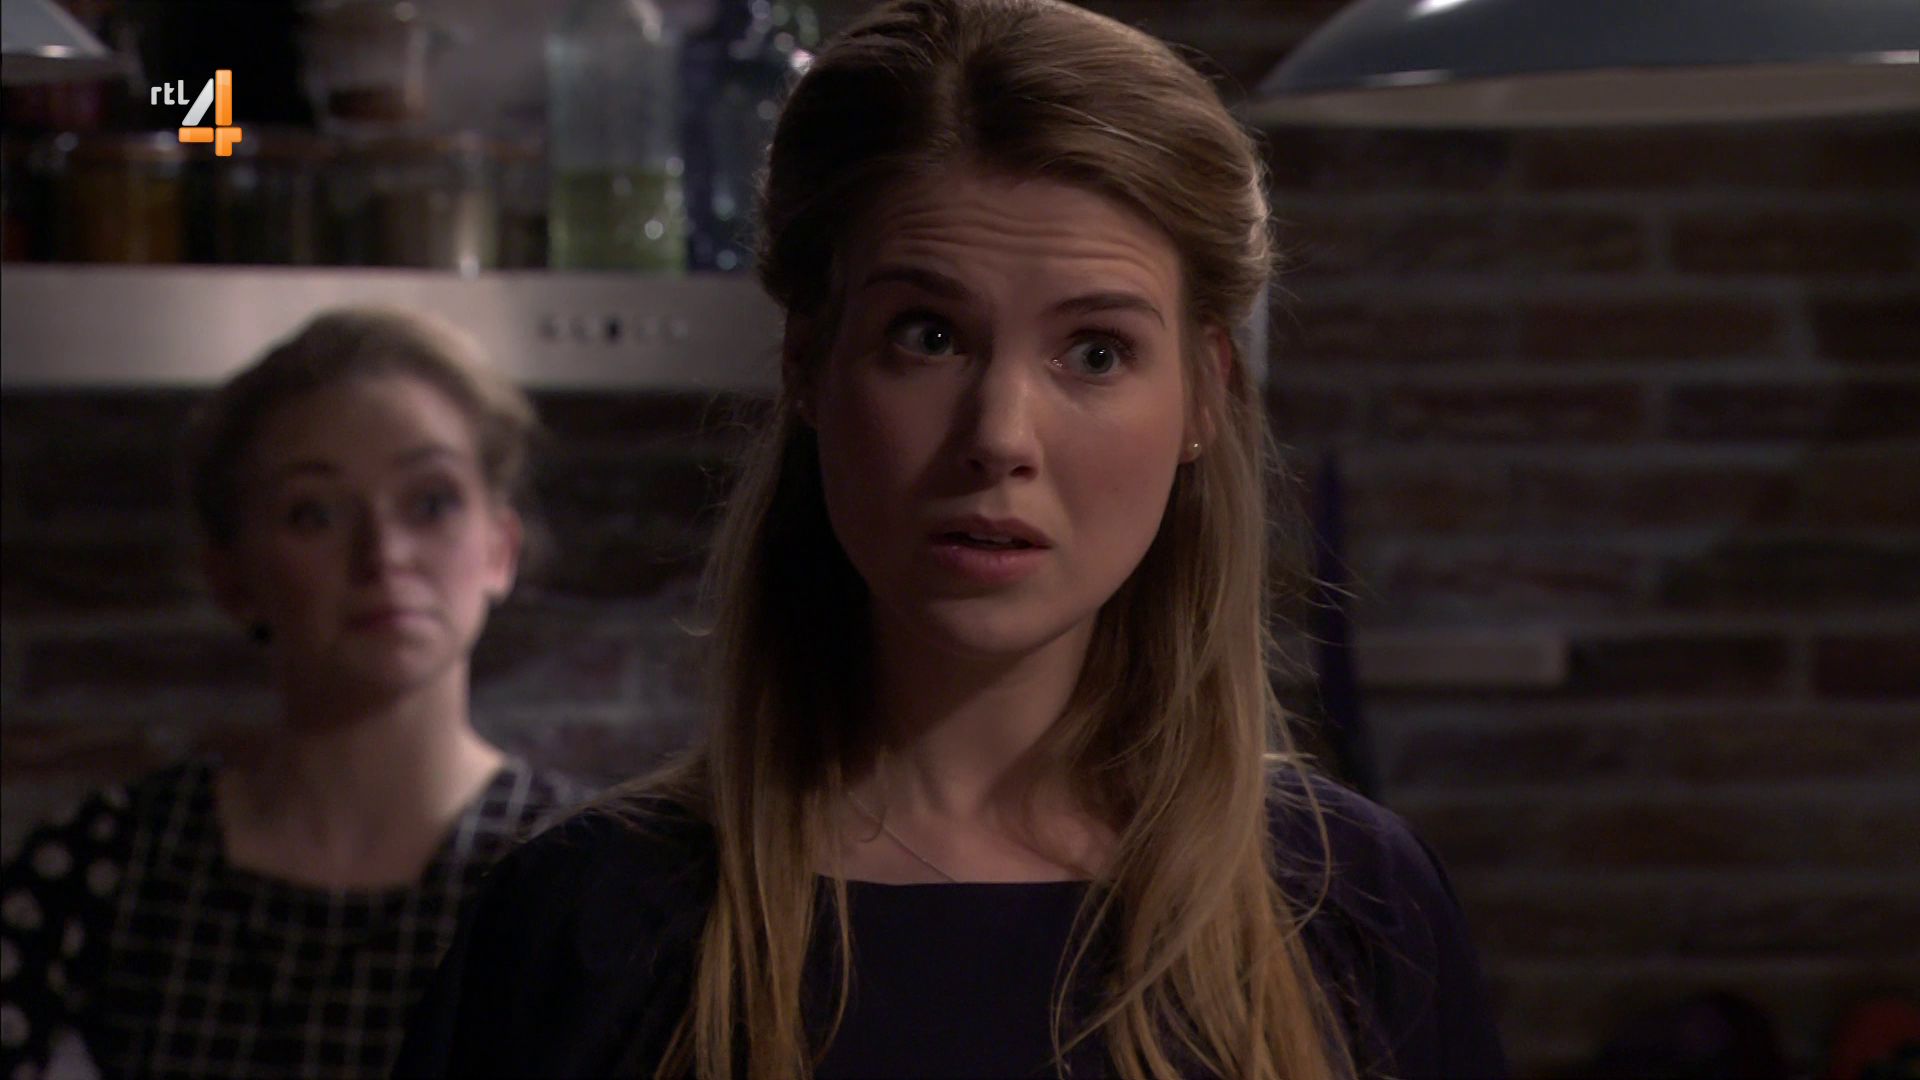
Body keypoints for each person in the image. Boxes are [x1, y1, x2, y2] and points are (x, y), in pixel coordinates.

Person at [396, 1, 1508, 1077]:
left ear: (1205, 392)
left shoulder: (1355, 909)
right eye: (928, 336)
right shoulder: (586, 928)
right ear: (807, 364)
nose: (999, 437)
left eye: (1096, 352)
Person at [0, 308, 588, 1079]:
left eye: (431, 501)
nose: (384, 553)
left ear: (499, 548)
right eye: (314, 513)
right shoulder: (107, 864)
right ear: (232, 577)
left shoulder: (585, 872)